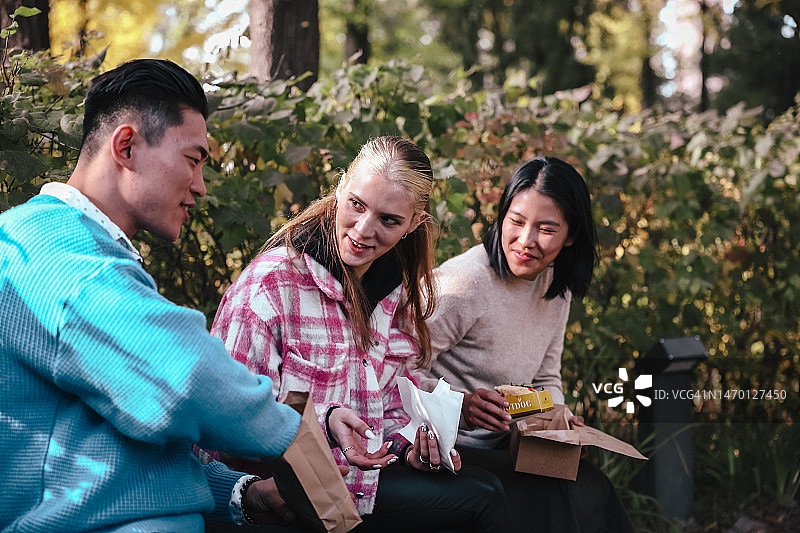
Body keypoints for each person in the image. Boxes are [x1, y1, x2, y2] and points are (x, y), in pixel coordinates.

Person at [0, 59, 311, 532]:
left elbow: (112, 452)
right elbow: (185, 379)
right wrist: (298, 431)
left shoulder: (81, 248)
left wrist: (240, 493)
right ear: (126, 146)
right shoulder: (56, 253)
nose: (201, 187)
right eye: (193, 159)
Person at [211, 136, 513, 532]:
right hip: (278, 494)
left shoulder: (394, 294)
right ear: (340, 188)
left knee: (485, 493)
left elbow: (389, 401)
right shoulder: (272, 285)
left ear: (413, 225)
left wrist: (412, 448)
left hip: (361, 485)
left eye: (389, 220)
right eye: (356, 204)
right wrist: (324, 424)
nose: (363, 230)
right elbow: (228, 415)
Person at [422, 156, 636, 533]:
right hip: (448, 448)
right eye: (516, 221)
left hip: (511, 444)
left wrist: (562, 423)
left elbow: (545, 376)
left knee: (593, 488)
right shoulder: (465, 284)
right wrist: (462, 405)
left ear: (571, 235)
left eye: (546, 228)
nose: (526, 241)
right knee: (549, 498)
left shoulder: (556, 286)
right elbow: (394, 369)